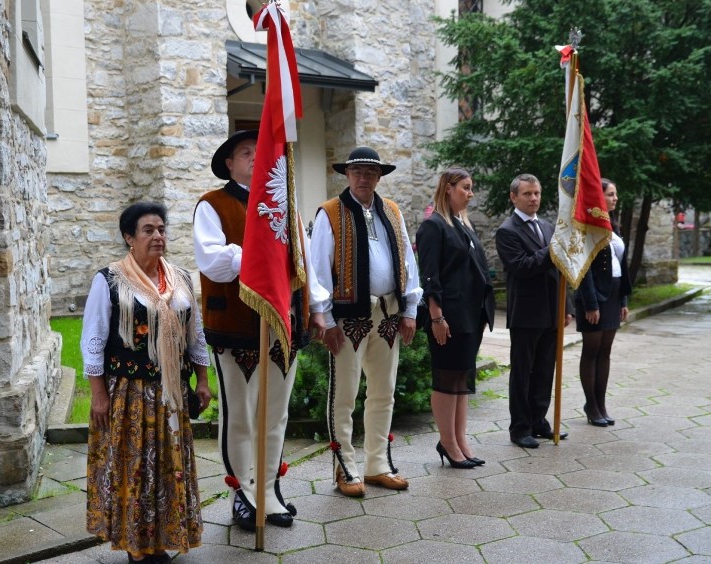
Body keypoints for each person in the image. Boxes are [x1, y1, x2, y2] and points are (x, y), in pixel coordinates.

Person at [193, 130, 327, 532]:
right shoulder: (211, 204)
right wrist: (257, 251)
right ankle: (243, 492)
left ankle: (269, 490)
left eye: (259, 152)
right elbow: (212, 261)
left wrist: (318, 307)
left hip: (284, 322)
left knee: (275, 414)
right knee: (240, 414)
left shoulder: (286, 205)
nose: (254, 158)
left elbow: (305, 261)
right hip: (237, 323)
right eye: (245, 153)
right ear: (229, 164)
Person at [82, 202, 211, 563]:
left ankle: (164, 536)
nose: (158, 236)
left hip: (172, 393)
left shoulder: (181, 278)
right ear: (129, 237)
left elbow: (194, 334)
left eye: (161, 229)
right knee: (135, 466)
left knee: (170, 465)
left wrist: (202, 380)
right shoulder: (109, 280)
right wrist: (98, 395)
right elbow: (93, 340)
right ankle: (138, 547)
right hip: (130, 393)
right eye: (147, 230)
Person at [309, 146, 422, 496]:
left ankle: (378, 464)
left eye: (370, 172)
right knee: (345, 393)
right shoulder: (330, 213)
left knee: (383, 391)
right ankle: (345, 467)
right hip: (347, 317)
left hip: (388, 311)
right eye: (357, 171)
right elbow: (318, 268)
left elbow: (407, 261)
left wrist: (409, 309)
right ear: (347, 174)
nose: (363, 177)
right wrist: (324, 319)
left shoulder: (392, 211)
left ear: (379, 177)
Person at [416, 167, 495, 468]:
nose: (470, 193)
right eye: (465, 187)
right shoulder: (433, 226)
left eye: (471, 187)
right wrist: (436, 317)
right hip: (448, 317)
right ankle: (447, 442)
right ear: (447, 188)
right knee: (447, 379)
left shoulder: (462, 224)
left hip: (470, 316)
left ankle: (460, 439)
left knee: (462, 380)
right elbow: (430, 277)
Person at [495, 173, 572, 449]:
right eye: (527, 194)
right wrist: (552, 250)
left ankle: (539, 420)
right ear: (514, 197)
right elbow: (522, 267)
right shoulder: (507, 230)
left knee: (544, 371)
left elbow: (562, 270)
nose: (534, 198)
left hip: (552, 311)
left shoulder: (549, 227)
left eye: (537, 193)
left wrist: (567, 307)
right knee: (523, 373)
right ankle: (520, 427)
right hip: (526, 314)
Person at [575, 178, 632, 426]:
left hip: (614, 294)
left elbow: (621, 266)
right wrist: (591, 304)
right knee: (592, 351)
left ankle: (600, 403)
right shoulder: (588, 226)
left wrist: (623, 299)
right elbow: (584, 268)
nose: (615, 198)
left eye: (615, 194)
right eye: (610, 194)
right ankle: (591, 405)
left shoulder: (612, 224)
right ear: (599, 197)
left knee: (605, 352)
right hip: (594, 296)